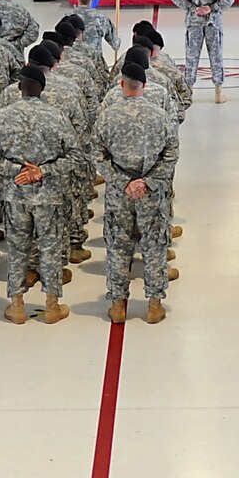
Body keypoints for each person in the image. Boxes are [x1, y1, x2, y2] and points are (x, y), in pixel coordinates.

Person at [0, 64, 78, 325]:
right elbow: (76, 156)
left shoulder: (2, 117)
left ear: (20, 87)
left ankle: (17, 305)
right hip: (49, 196)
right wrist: (41, 172)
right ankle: (51, 305)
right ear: (42, 88)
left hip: (15, 195)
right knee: (50, 248)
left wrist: (15, 170)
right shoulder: (56, 117)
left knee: (17, 248)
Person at [95, 62, 180, 325]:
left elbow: (97, 156)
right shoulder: (160, 116)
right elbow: (171, 154)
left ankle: (118, 304)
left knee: (118, 246)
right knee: (154, 246)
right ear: (144, 85)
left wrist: (123, 182)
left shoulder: (107, 116)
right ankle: (154, 304)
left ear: (122, 84)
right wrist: (147, 181)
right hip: (151, 194)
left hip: (119, 194)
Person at [172, 0, 235, 104]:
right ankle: (218, 93)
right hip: (213, 22)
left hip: (194, 22)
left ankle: (189, 92)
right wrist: (211, 8)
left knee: (191, 57)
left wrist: (194, 8)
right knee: (216, 56)